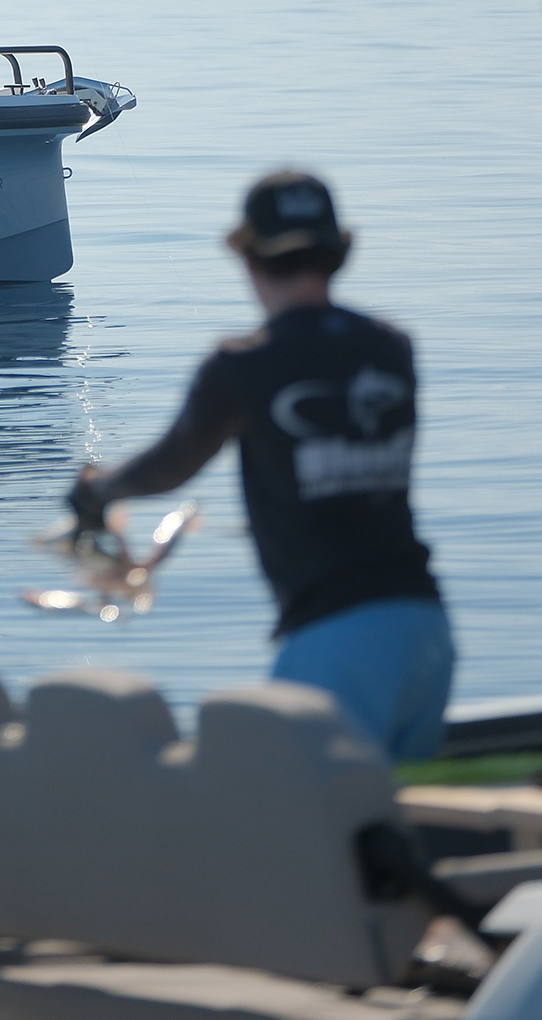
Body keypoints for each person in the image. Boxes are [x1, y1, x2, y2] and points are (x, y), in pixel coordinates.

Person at [67, 170, 454, 762]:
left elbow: (173, 465)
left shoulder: (243, 366)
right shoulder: (391, 349)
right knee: (392, 824)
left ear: (248, 261)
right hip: (424, 628)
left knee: (301, 832)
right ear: (339, 255)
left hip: (335, 643)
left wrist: (100, 491)